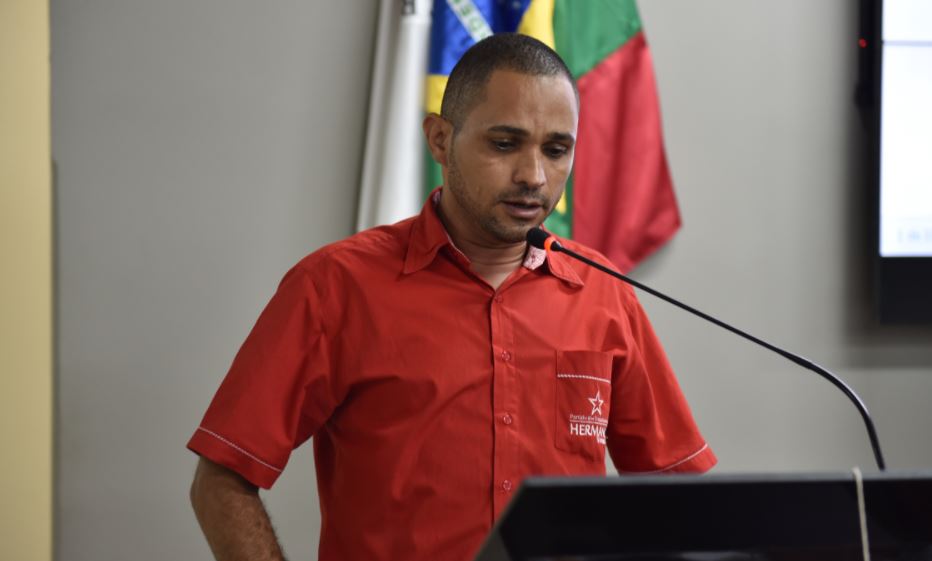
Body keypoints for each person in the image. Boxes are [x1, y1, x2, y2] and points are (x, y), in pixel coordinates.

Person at [188, 33, 716, 561]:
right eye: (505, 143)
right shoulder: (335, 286)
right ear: (440, 139)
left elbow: (683, 501)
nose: (534, 176)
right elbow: (222, 478)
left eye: (556, 150)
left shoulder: (604, 292)